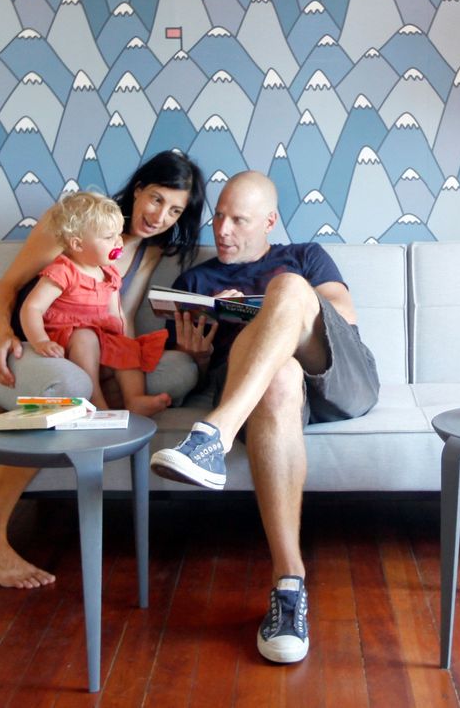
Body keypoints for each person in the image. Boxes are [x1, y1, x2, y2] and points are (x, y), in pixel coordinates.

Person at [150, 171, 379, 664]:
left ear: (270, 221)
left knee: (290, 288)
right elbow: (190, 371)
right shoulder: (197, 281)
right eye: (218, 216)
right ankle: (289, 585)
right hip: (265, 395)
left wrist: (263, 307)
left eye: (238, 219)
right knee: (278, 378)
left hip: (338, 373)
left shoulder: (303, 256)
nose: (223, 230)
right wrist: (197, 357)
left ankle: (215, 433)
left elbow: (344, 311)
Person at [0, 151, 205, 588]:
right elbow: (8, 288)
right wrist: (1, 338)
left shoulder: (149, 249)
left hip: (80, 351)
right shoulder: (75, 222)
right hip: (24, 344)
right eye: (155, 199)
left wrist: (129, 358)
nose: (159, 216)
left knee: (179, 369)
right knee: (68, 385)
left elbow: (119, 318)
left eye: (175, 210)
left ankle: (18, 402)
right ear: (137, 189)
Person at [20, 191, 171, 416]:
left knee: (126, 345)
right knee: (85, 336)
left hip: (100, 337)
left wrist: (120, 334)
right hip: (66, 336)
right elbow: (32, 308)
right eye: (109, 237)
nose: (119, 242)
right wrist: (40, 340)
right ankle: (94, 400)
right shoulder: (63, 271)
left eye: (119, 234)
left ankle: (134, 398)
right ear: (78, 244)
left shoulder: (108, 272)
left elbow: (115, 312)